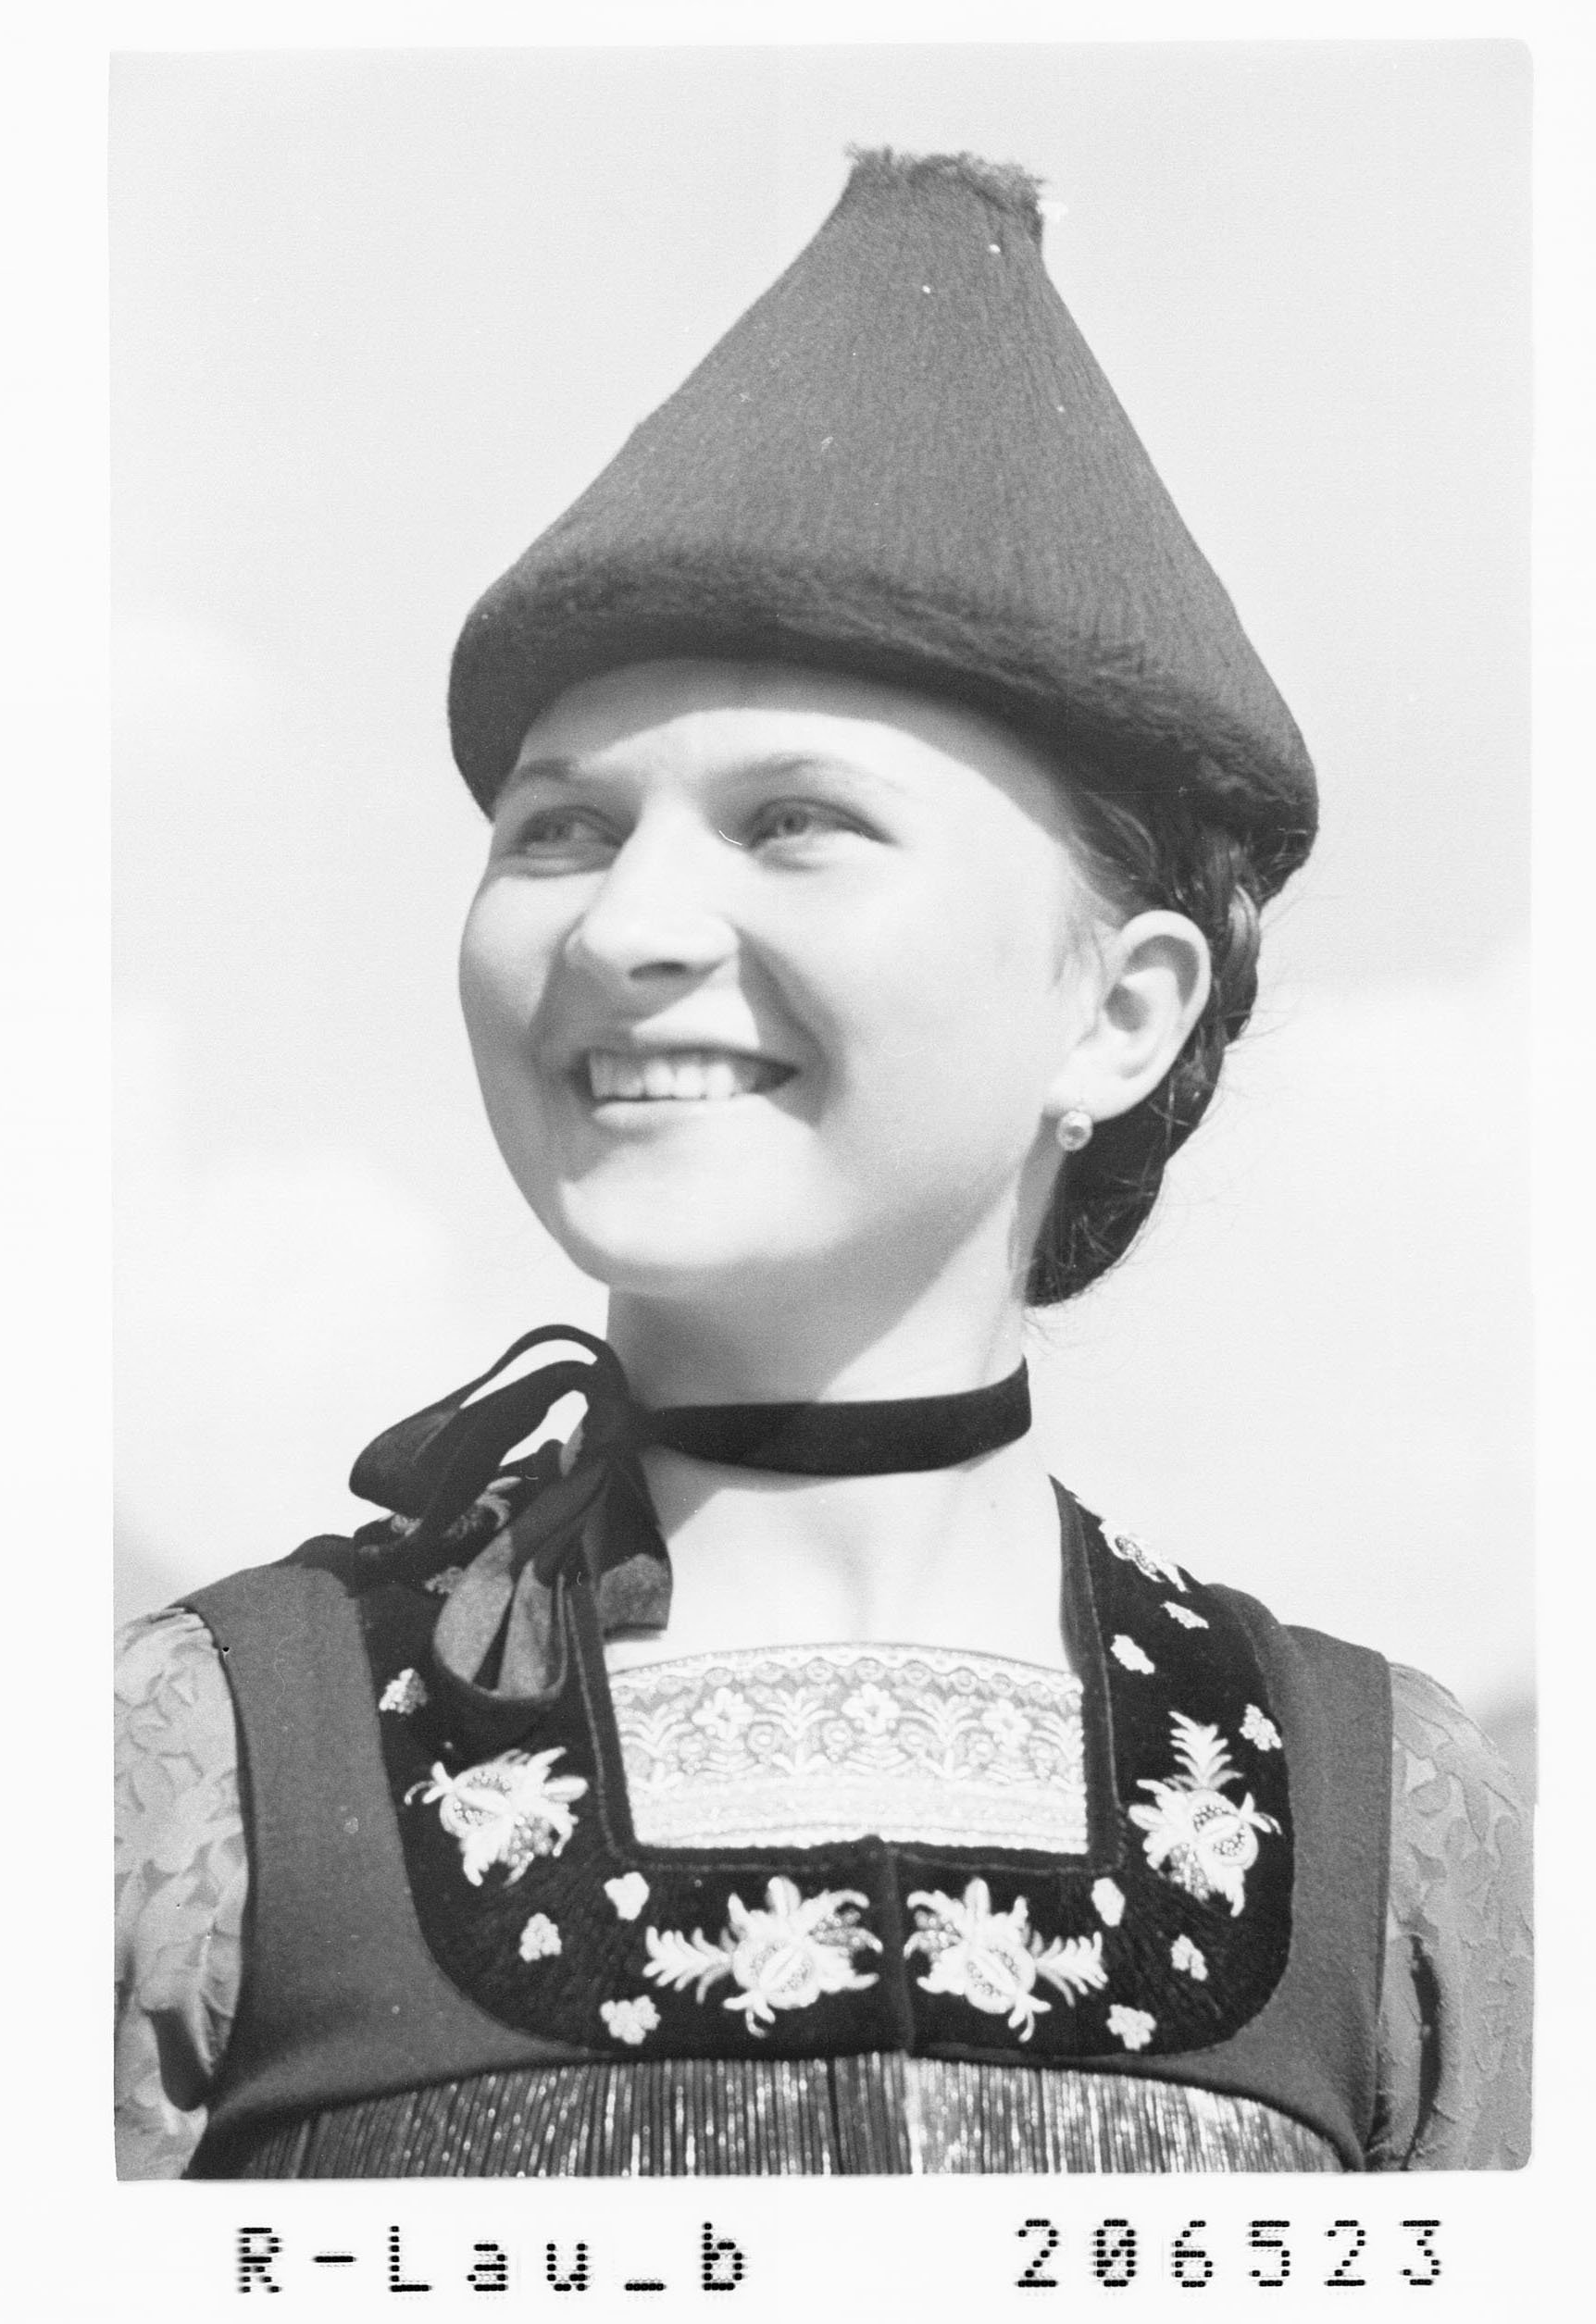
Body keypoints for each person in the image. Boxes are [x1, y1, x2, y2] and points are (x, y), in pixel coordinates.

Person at [115, 148, 1531, 2179]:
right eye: (559, 829)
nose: (624, 928)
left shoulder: (1382, 1829)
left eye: (793, 821)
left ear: (1119, 1012)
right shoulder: (208, 1764)